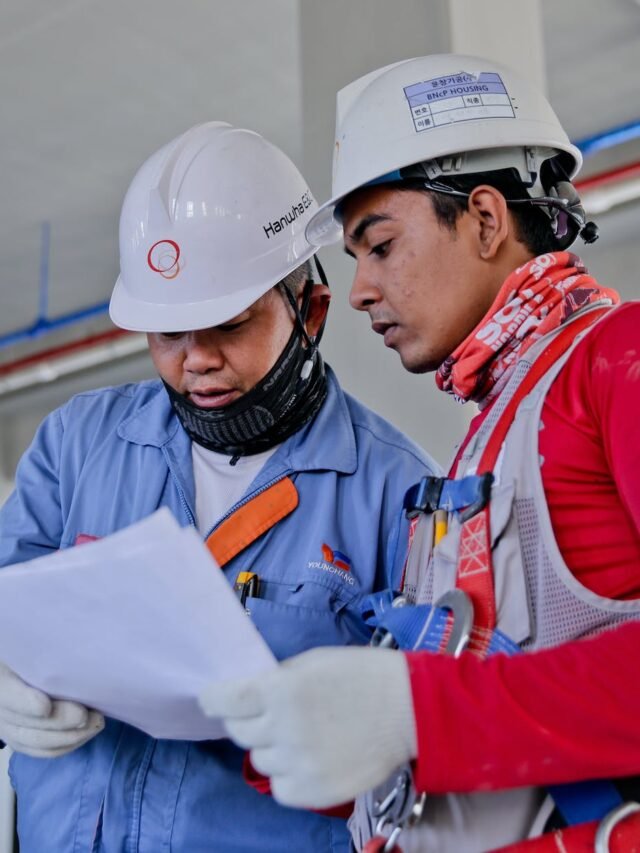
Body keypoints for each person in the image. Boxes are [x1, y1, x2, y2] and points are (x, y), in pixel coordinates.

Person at [199, 57, 640, 851]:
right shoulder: (493, 431)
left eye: (379, 244)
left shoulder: (619, 359)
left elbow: (466, 715)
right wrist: (317, 732)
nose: (361, 287)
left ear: (481, 219)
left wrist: (414, 709)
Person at [0, 121, 438, 852]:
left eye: (228, 326)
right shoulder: (77, 446)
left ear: (312, 312)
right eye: (167, 333)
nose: (195, 360)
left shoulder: (397, 494)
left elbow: (429, 744)